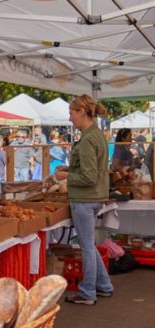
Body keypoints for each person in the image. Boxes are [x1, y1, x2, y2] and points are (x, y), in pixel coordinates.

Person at [55, 95, 113, 305]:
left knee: (87, 246)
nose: (70, 118)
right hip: (94, 197)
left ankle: (88, 292)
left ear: (81, 112)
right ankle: (104, 285)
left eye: (71, 113)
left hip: (85, 198)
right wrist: (69, 169)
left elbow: (88, 177)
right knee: (89, 244)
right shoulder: (96, 135)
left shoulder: (88, 138)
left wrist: (67, 176)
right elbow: (92, 170)